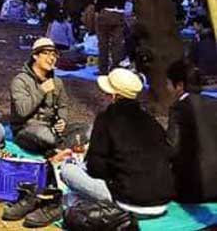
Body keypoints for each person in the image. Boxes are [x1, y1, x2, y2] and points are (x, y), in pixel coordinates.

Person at [58, 68, 173, 217]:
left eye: (105, 92)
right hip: (162, 203)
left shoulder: (106, 118)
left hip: (128, 202)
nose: (103, 96)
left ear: (113, 96)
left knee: (68, 170)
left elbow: (95, 168)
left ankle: (77, 201)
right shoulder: (151, 121)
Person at [10, 38, 83, 154]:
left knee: (88, 130)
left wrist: (62, 120)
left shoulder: (56, 82)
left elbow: (63, 105)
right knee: (45, 137)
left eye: (54, 54)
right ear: (35, 56)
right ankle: (63, 148)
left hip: (51, 128)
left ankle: (59, 148)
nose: (51, 58)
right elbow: (22, 111)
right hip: (28, 129)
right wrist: (41, 90)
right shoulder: (20, 81)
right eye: (46, 54)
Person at [166, 60, 217, 203]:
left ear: (179, 86)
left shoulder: (179, 108)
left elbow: (172, 147)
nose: (167, 88)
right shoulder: (214, 104)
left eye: (168, 83)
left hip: (193, 188)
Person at [95, 0, 130, 74]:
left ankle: (103, 69)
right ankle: (116, 69)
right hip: (119, 11)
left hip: (106, 11)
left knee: (103, 42)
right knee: (117, 43)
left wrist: (97, 9)